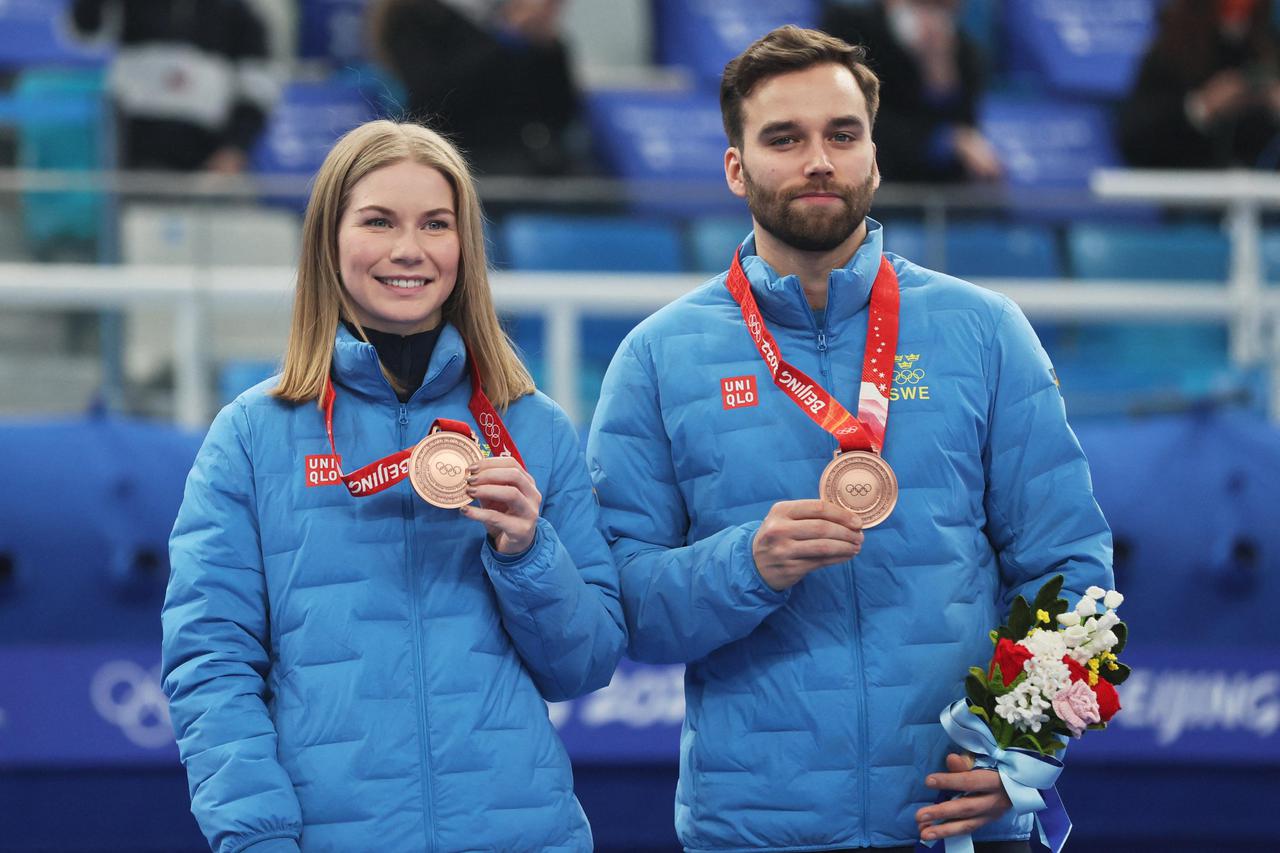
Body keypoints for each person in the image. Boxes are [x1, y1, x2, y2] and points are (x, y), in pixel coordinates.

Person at [586, 26, 1112, 853]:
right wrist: (744, 565)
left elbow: (1072, 570)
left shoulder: (984, 331)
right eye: (783, 138)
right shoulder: (657, 357)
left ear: (874, 156)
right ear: (735, 167)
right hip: (761, 831)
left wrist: (1020, 749)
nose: (818, 160)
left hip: (963, 822)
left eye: (842, 134)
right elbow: (622, 604)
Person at [162, 120, 626, 853]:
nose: (409, 249)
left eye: (436, 224)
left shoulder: (533, 427)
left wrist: (527, 554)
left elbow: (586, 663)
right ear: (328, 240)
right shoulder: (250, 436)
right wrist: (257, 839)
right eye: (379, 221)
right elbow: (210, 666)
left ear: (464, 247)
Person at [369, 0, 584, 176]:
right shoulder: (412, 14)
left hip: (528, 156)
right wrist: (505, 37)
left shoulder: (500, 12)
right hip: (459, 156)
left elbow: (559, 114)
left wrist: (545, 45)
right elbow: (431, 97)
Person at [69, 0, 280, 172]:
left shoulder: (243, 17)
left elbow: (257, 92)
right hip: (128, 166)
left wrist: (235, 147)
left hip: (204, 171)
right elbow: (83, 32)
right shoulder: (125, 6)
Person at [821, 0, 1002, 182]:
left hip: (932, 186)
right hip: (862, 175)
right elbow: (849, 117)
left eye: (940, 9)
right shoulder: (848, 27)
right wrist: (941, 140)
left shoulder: (966, 53)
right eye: (920, 6)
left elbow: (963, 128)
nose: (930, 19)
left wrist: (937, 65)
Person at [1119, 0, 1280, 170]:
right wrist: (1201, 107)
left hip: (1263, 187)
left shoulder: (1269, 48)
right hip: (1187, 183)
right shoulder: (1171, 52)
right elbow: (1135, 140)